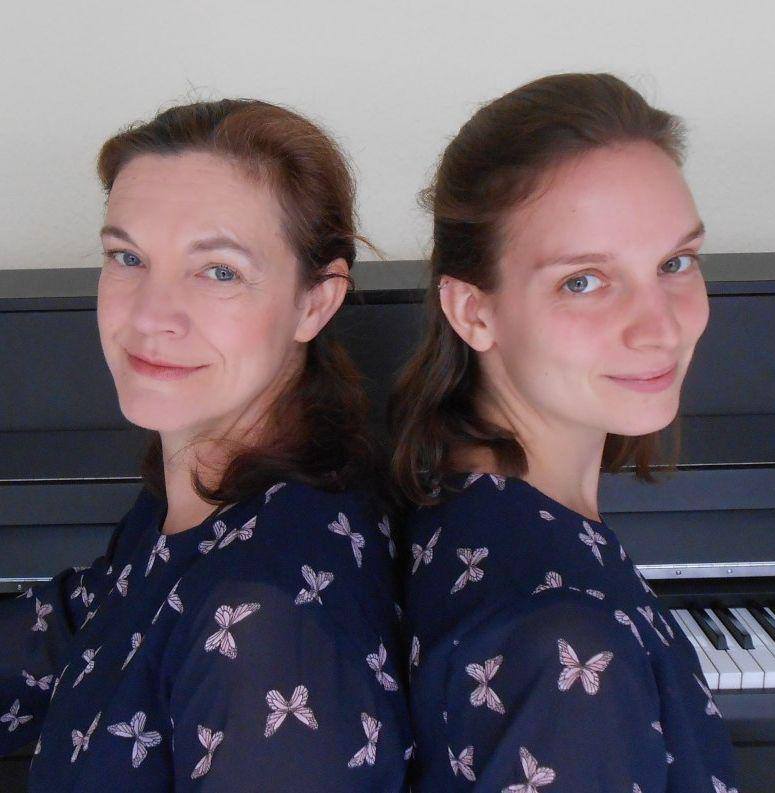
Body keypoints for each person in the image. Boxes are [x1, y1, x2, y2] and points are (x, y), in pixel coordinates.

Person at [0, 99, 410, 791]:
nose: (150, 315)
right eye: (128, 257)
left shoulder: (266, 621)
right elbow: (66, 636)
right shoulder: (195, 501)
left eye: (218, 270)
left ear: (315, 301)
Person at [390, 73, 737, 792]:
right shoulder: (562, 651)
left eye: (674, 263)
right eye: (583, 280)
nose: (659, 328)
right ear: (473, 312)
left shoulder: (464, 494)